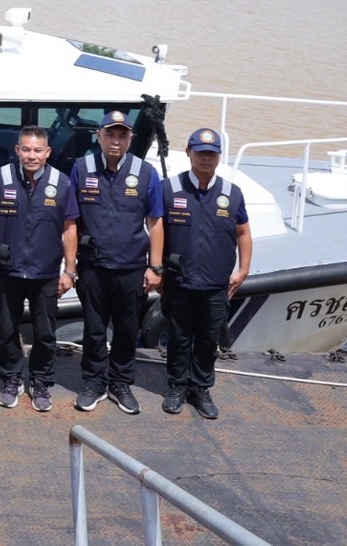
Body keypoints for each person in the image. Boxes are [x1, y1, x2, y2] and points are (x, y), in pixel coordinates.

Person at [70, 110, 164, 415]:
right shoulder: (81, 168)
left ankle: (120, 383)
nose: (115, 140)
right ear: (99, 136)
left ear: (130, 139)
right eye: (109, 133)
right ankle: (94, 383)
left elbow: (156, 222)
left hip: (131, 267)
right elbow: (70, 221)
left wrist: (156, 267)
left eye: (122, 135)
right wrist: (69, 266)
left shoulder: (146, 172)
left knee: (126, 329)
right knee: (94, 329)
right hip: (93, 266)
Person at [0, 125, 78, 412]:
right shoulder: (0, 177)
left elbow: (70, 227)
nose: (31, 156)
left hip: (45, 271)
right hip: (8, 269)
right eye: (26, 149)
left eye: (37, 150)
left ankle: (41, 381)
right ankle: (11, 378)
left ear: (48, 152)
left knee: (45, 332)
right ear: (17, 150)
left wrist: (70, 270)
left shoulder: (62, 182)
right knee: (7, 330)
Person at [160, 128, 252, 420]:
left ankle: (200, 388)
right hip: (180, 280)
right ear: (189, 152)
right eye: (200, 153)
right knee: (178, 337)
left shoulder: (231, 193)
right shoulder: (169, 188)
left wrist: (244, 270)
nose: (206, 159)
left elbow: (243, 232)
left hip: (215, 284)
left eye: (212, 154)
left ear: (219, 156)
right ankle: (177, 386)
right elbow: (155, 230)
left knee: (209, 339)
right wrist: (157, 269)